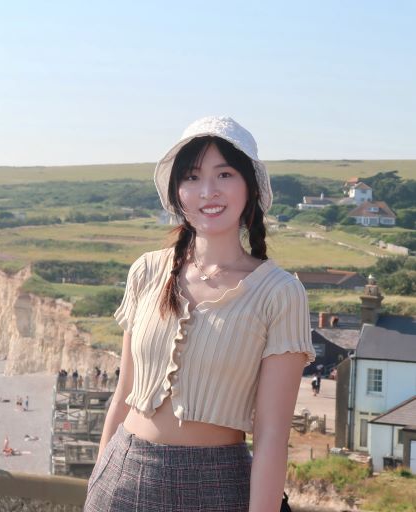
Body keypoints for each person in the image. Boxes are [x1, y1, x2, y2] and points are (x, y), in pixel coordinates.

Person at [84, 116, 315, 512]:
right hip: (120, 478)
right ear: (177, 192)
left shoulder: (280, 293)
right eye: (192, 177)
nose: (208, 191)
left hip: (217, 486)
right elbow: (123, 395)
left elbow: (272, 435)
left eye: (224, 174)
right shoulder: (146, 271)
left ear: (251, 188)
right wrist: (98, 480)